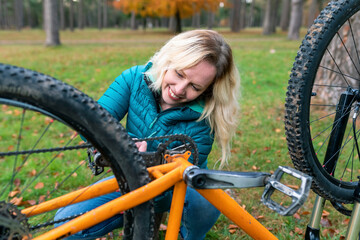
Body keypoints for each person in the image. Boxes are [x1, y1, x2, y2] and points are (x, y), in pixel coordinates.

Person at [54, 29, 240, 240]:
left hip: (180, 190)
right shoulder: (134, 78)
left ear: (207, 90)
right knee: (64, 225)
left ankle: (188, 234)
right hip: (128, 180)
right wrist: (121, 145)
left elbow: (174, 178)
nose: (179, 89)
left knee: (206, 202)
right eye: (179, 74)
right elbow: (91, 124)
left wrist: (145, 166)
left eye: (195, 87)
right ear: (168, 60)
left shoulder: (205, 117)